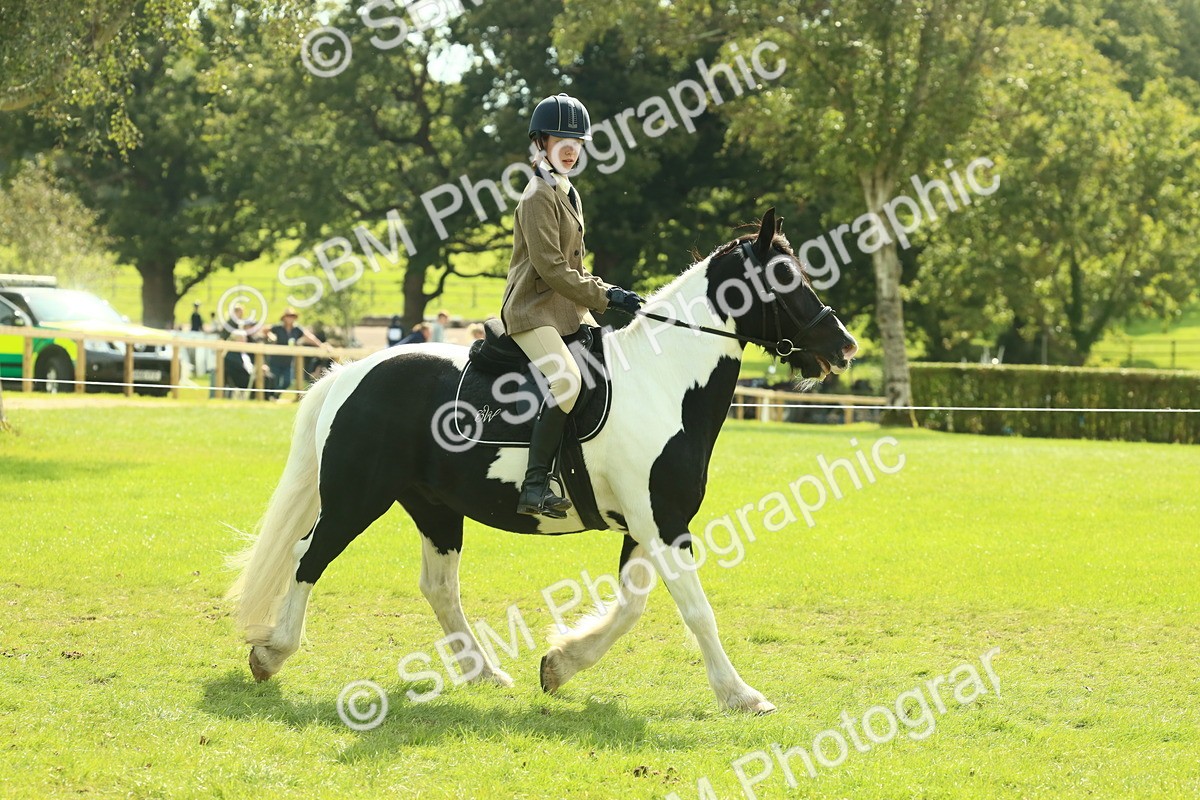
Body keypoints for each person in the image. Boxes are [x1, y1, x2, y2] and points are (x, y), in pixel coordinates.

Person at [500, 92, 644, 518]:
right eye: (560, 138)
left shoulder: (568, 193)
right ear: (541, 143)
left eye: (576, 141)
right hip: (532, 312)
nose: (569, 147)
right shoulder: (537, 197)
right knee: (567, 383)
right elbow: (552, 268)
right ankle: (533, 486)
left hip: (567, 312)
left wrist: (612, 291)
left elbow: (576, 267)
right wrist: (606, 297)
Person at [267, 307, 325, 397]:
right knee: (275, 380)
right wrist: (270, 336)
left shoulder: (297, 329)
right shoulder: (277, 328)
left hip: (288, 361)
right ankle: (270, 397)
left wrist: (321, 345)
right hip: (276, 360)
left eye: (292, 316)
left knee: (288, 381)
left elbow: (309, 337)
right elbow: (265, 330)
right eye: (288, 316)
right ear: (284, 318)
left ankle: (275, 395)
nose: (290, 318)